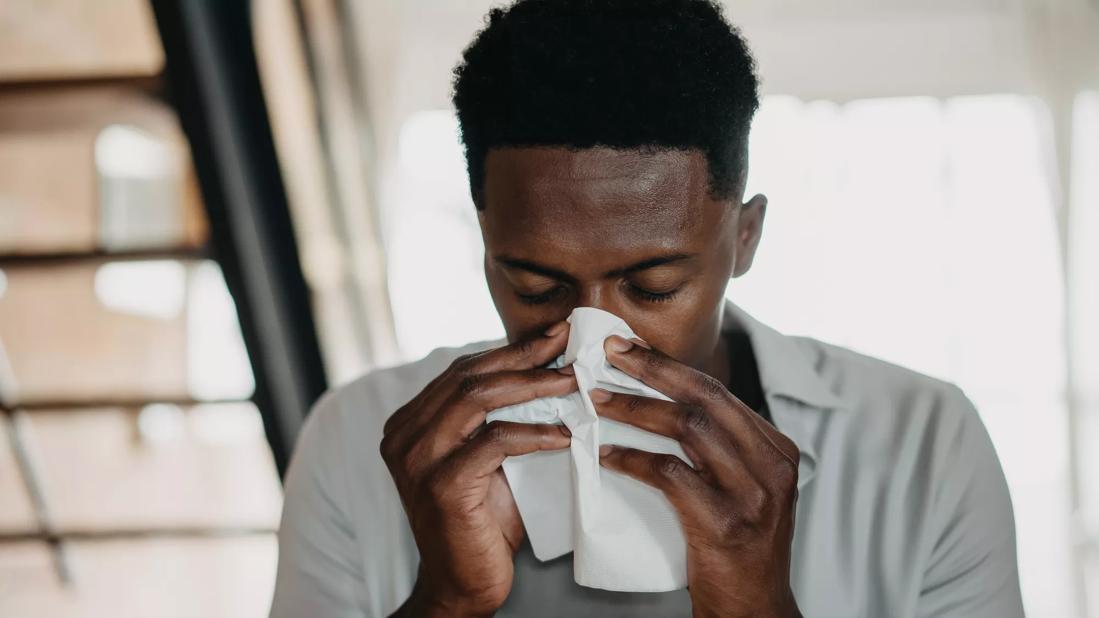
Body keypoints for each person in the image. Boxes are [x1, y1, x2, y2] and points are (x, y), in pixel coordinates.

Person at [270, 1, 1024, 616]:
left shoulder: (921, 446)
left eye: (654, 286)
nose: (585, 340)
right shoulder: (359, 440)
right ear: (485, 240)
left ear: (745, 238)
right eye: (534, 285)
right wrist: (448, 600)